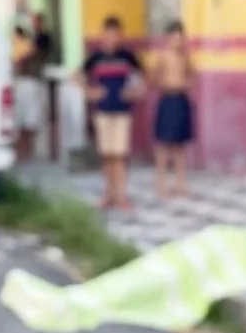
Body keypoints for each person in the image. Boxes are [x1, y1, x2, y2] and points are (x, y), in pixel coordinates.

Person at [75, 16, 145, 210]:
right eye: (109, 34)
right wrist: (89, 92)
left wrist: (134, 92)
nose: (112, 39)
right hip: (103, 111)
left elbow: (143, 77)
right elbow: (76, 76)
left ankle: (121, 196)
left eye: (116, 35)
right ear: (103, 35)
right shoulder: (96, 57)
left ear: (121, 36)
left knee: (120, 155)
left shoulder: (127, 57)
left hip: (123, 112)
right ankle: (107, 195)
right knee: (107, 155)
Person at [151, 20, 195, 198]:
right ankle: (161, 185)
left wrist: (186, 83)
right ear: (168, 38)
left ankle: (180, 184)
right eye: (175, 38)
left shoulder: (185, 57)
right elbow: (153, 78)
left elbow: (193, 75)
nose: (179, 41)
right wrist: (166, 84)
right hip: (167, 100)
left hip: (181, 100)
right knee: (164, 145)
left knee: (180, 145)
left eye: (181, 38)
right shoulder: (162, 57)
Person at [13, 23, 48, 163]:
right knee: (21, 121)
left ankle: (27, 152)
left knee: (29, 121)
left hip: (30, 86)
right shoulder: (16, 49)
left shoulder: (28, 52)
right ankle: (22, 152)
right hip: (22, 86)